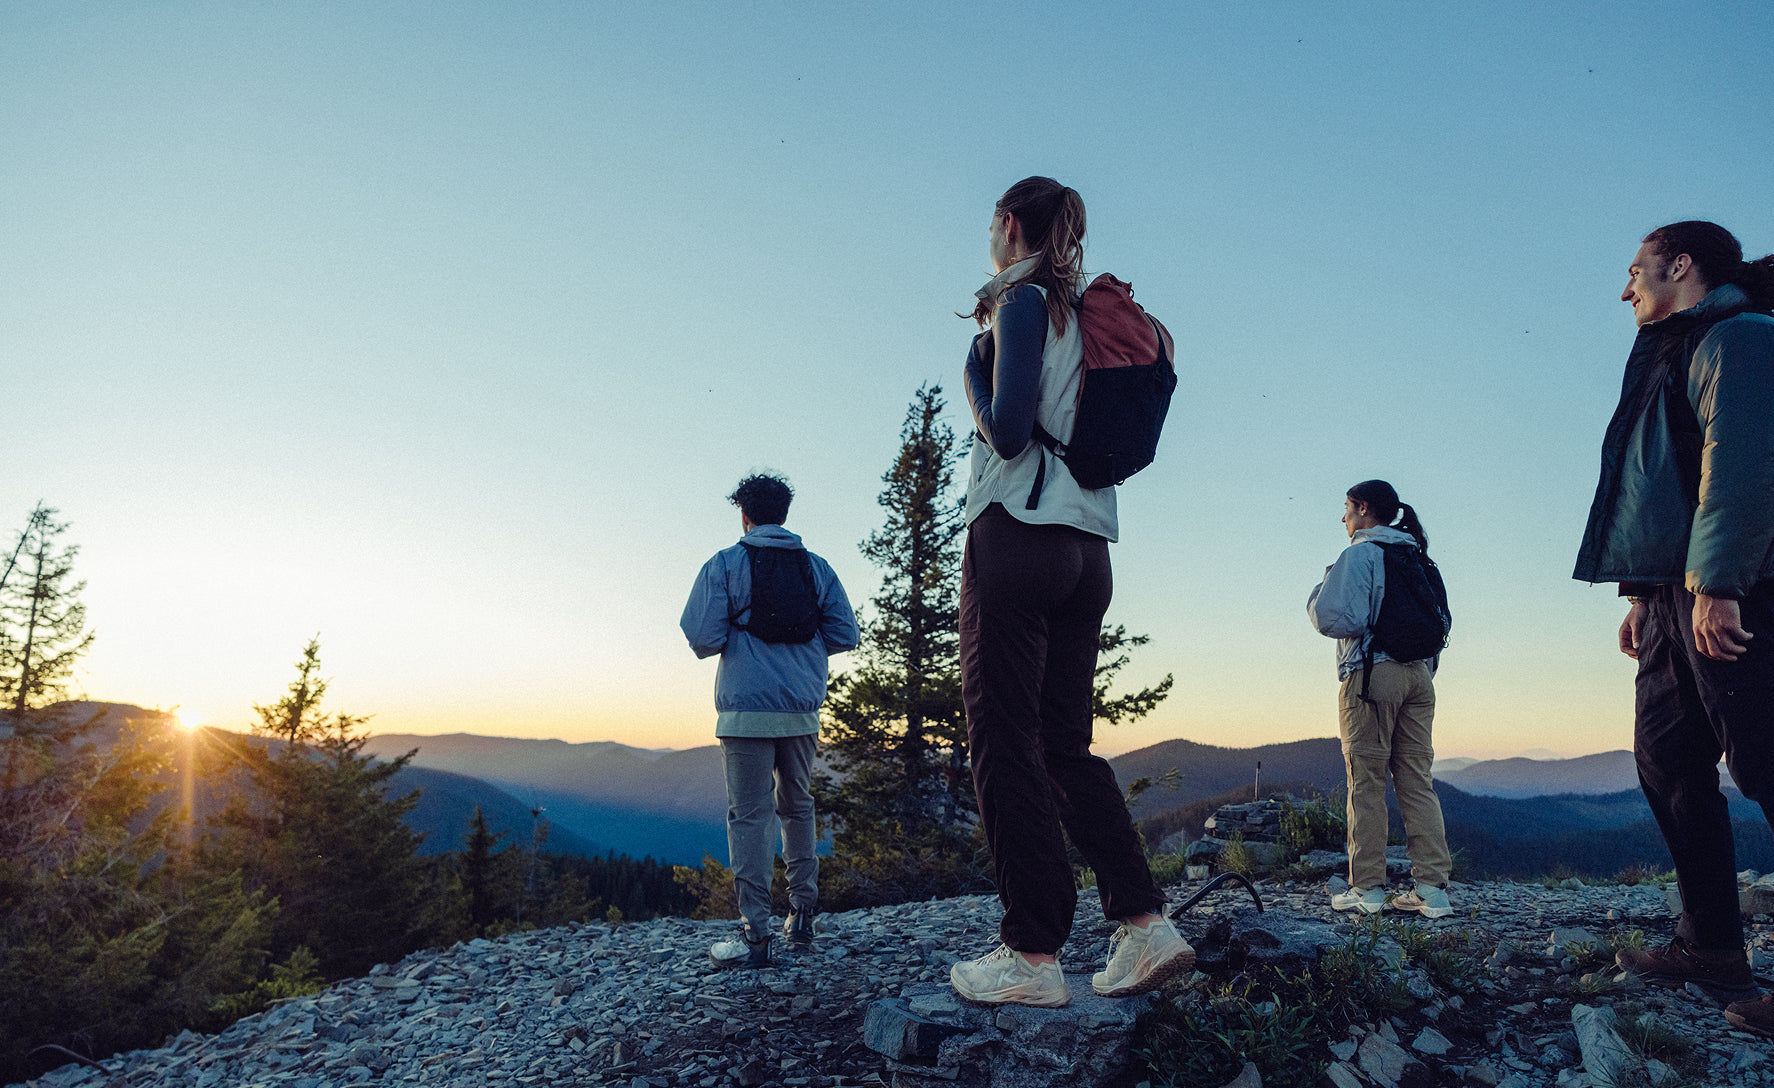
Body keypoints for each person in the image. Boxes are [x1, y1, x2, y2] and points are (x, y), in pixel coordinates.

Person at [948, 176, 1193, 1009]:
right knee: (1062, 744)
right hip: (1088, 551)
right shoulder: (1081, 322)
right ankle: (1144, 923)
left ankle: (1031, 954)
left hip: (1014, 535)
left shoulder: (1021, 305)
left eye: (993, 223)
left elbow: (1009, 430)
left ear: (1009, 226)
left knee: (1002, 740)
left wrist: (971, 378)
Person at [1574, 221, 1774, 1036]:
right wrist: (1641, 593)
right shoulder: (1677, 346)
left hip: (1738, 588)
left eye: (1635, 271)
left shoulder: (1741, 337)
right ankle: (1713, 946)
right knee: (1667, 760)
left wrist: (1717, 584)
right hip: (1672, 595)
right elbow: (1662, 479)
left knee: (1765, 759)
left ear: (1680, 265)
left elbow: (1743, 461)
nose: (1625, 288)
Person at [680, 473, 858, 968]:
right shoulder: (816, 569)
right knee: (797, 806)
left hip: (744, 712)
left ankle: (755, 934)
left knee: (750, 816)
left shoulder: (725, 565)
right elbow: (846, 633)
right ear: (784, 513)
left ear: (744, 512)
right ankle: (802, 916)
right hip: (800, 710)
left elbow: (701, 638)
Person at [1308, 480, 1454, 919]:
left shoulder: (1361, 554)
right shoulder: (1417, 557)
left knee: (1366, 780)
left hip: (1373, 676)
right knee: (1416, 780)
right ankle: (1432, 891)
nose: (1343, 517)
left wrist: (1320, 588)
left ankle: (1367, 889)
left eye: (1347, 508)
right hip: (1419, 677)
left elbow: (1334, 618)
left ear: (1364, 509)